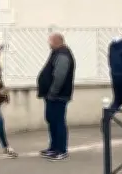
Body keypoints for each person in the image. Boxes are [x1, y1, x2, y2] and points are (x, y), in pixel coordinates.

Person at [36, 32, 75, 161]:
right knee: (51, 120)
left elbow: (60, 76)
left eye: (50, 41)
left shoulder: (63, 55)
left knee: (58, 122)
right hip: (52, 96)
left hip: (58, 96)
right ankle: (53, 147)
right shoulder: (57, 53)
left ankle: (61, 150)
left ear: (57, 41)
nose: (49, 43)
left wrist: (53, 92)